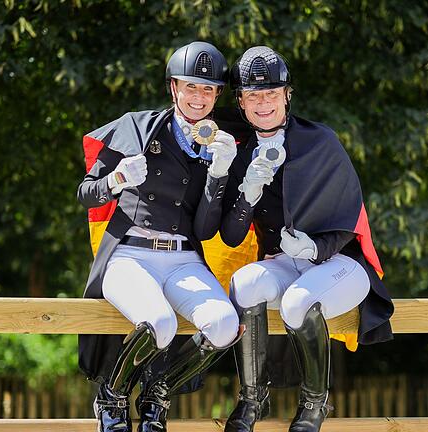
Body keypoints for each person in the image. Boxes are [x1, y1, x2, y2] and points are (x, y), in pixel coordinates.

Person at [211, 46, 395, 432]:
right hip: (284, 262)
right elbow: (229, 235)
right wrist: (247, 193)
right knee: (244, 282)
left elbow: (348, 219)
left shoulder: (321, 141)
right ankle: (252, 399)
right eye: (254, 96)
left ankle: (315, 404)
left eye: (272, 94)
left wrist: (314, 248)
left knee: (297, 302)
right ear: (241, 101)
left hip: (340, 263)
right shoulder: (240, 156)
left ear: (287, 95)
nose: (264, 103)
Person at [76, 41, 244, 432]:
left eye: (208, 89)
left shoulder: (222, 146)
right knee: (160, 323)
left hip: (183, 257)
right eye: (191, 87)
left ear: (217, 95)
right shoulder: (135, 126)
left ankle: (158, 393)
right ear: (174, 88)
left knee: (223, 325)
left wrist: (219, 175)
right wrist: (116, 179)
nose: (198, 97)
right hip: (129, 255)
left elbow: (205, 230)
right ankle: (112, 397)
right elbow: (86, 192)